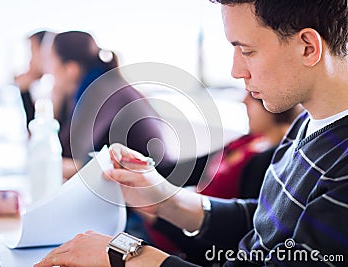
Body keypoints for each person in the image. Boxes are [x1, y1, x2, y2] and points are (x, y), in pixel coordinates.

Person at [34, 0, 348, 266]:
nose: (236, 71)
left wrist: (128, 256)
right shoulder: (306, 124)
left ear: (308, 47)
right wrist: (166, 199)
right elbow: (265, 226)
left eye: (247, 51)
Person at [144, 93, 303, 265]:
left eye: (252, 96)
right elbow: (186, 170)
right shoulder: (247, 141)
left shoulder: (272, 159)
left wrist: (158, 217)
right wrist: (144, 168)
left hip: (194, 236)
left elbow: (238, 235)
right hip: (185, 216)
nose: (243, 101)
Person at [49, 31, 173, 180]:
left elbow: (69, 155)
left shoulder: (101, 88)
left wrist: (56, 97)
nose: (49, 73)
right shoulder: (100, 82)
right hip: (135, 181)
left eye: (51, 63)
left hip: (150, 183)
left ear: (70, 69)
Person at [14, 30, 56, 126]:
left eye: (32, 52)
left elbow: (41, 133)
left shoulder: (57, 86)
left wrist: (25, 92)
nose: (30, 62)